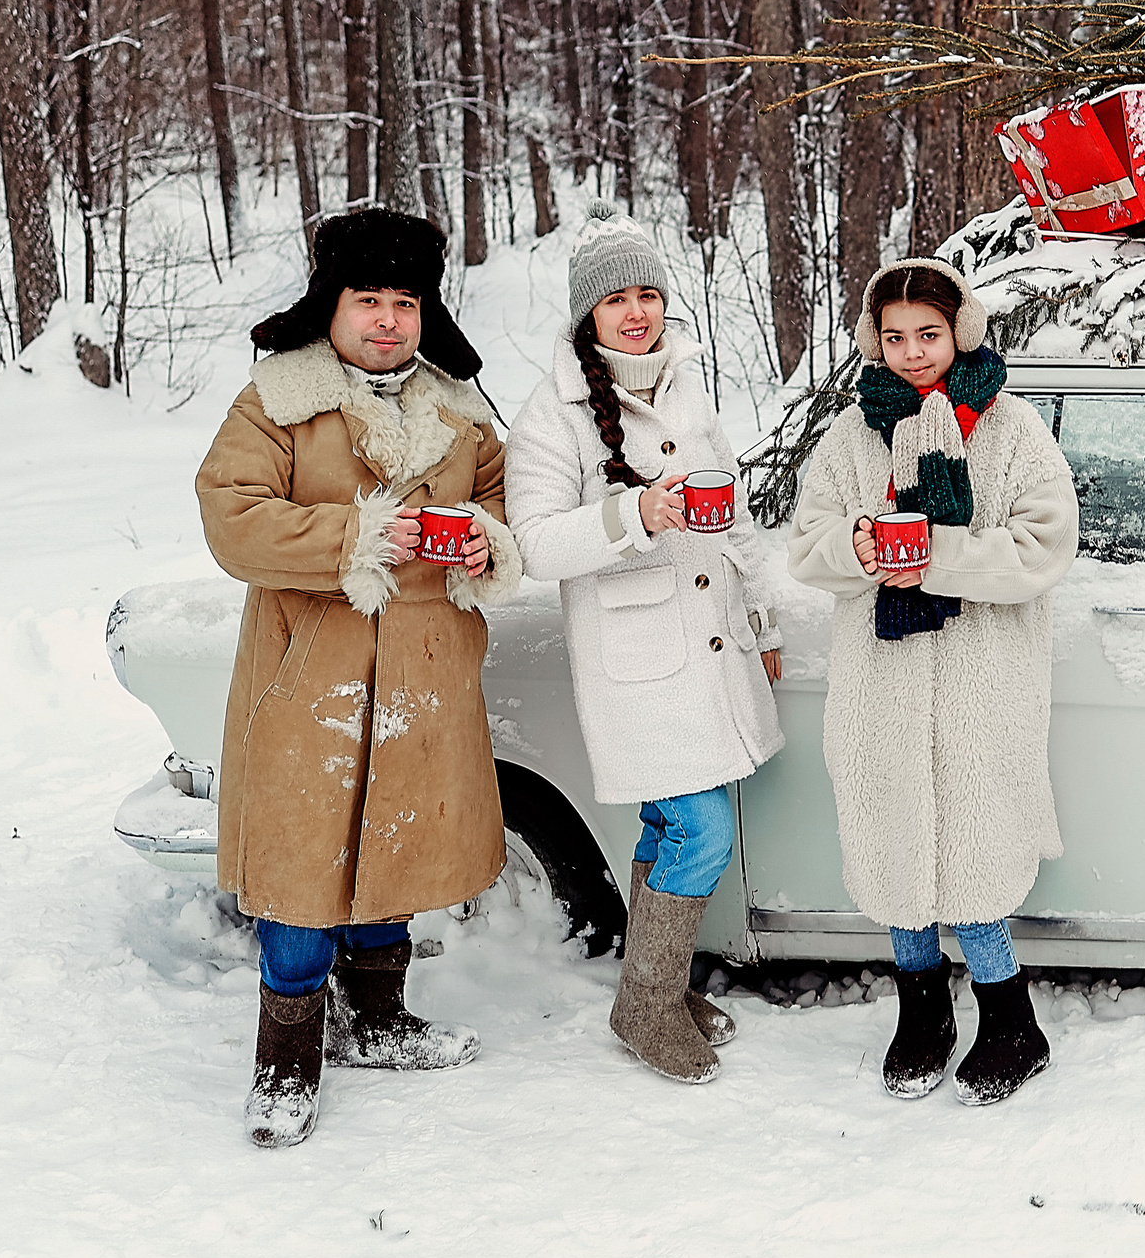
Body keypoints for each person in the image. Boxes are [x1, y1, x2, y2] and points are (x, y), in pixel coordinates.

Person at [195, 208, 524, 1148]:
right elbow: (232, 517)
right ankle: (285, 1057)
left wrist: (483, 539)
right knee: (302, 867)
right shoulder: (278, 400)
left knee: (401, 844)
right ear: (330, 304)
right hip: (311, 678)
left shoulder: (459, 409)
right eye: (367, 299)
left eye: (406, 302)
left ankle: (377, 1019)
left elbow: (501, 501)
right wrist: (359, 536)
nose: (387, 320)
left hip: (424, 668)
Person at [788, 257, 1080, 1106]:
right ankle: (921, 1010)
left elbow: (1044, 548)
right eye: (895, 336)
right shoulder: (851, 438)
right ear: (872, 341)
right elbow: (807, 543)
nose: (914, 351)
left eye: (929, 333)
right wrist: (860, 546)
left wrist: (940, 559)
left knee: (976, 860)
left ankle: (1010, 1021)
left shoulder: (1014, 429)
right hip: (880, 691)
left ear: (961, 331)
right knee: (895, 853)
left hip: (980, 691)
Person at [505, 209, 786, 1084]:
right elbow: (536, 544)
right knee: (700, 830)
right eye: (617, 299)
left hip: (707, 643)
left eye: (649, 294)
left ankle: (651, 984)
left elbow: (731, 507)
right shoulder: (551, 416)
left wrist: (766, 615)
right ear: (587, 313)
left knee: (673, 822)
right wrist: (635, 512)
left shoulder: (686, 383)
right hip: (638, 660)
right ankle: (647, 1004)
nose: (636, 313)